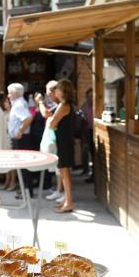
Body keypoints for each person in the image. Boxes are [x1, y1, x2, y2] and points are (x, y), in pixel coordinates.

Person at [48, 79, 76, 213]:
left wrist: (53, 122)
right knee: (64, 172)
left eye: (57, 89)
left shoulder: (64, 105)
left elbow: (52, 124)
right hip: (65, 140)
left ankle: (69, 202)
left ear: (63, 91)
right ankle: (67, 201)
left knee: (65, 172)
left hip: (64, 141)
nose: (55, 91)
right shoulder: (66, 104)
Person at [7, 83, 35, 197]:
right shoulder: (19, 103)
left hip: (21, 139)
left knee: (23, 166)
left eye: (10, 93)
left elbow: (28, 118)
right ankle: (25, 190)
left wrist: (20, 131)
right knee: (22, 166)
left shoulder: (18, 104)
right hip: (21, 138)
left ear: (16, 93)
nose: (8, 95)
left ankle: (27, 191)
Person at [38, 80, 64, 202]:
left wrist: (40, 102)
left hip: (61, 139)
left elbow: (46, 114)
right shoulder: (57, 104)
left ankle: (62, 191)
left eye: (49, 92)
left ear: (55, 92)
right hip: (57, 139)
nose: (47, 95)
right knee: (58, 168)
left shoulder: (61, 104)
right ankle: (59, 190)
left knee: (62, 167)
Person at [79, 88, 94, 182]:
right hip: (86, 131)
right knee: (85, 152)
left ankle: (93, 175)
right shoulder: (84, 106)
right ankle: (86, 170)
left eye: (92, 96)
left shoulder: (99, 105)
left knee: (94, 155)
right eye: (89, 96)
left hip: (95, 131)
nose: (90, 98)